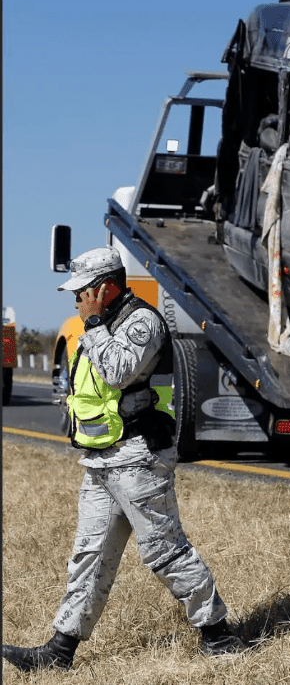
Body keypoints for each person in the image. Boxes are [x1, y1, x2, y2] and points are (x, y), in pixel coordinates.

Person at [2, 247, 247, 673]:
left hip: (138, 457)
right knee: (89, 553)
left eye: (81, 292)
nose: (76, 300)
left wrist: (94, 324)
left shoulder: (141, 322)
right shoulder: (98, 325)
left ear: (103, 288)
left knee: (165, 551)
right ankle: (59, 653)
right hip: (102, 459)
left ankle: (220, 635)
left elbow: (118, 371)